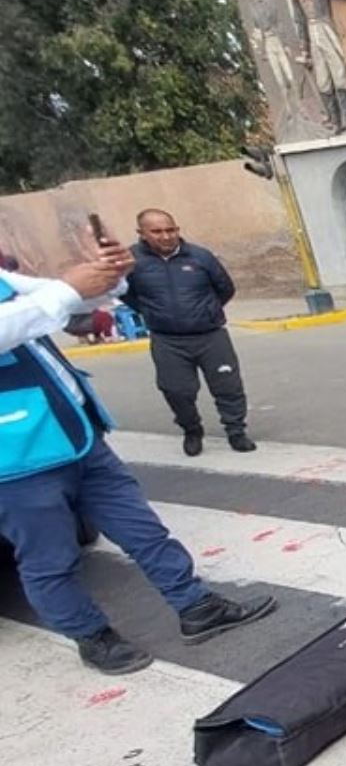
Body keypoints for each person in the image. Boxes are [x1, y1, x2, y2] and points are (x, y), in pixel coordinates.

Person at [1, 253, 275, 675]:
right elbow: (35, 311)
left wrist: (107, 277)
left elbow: (67, 303)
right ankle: (92, 636)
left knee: (143, 530)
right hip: (18, 462)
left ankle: (195, 605)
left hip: (78, 436)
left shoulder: (4, 279)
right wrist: (69, 288)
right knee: (50, 559)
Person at [123, 209, 254, 457]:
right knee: (175, 390)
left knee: (228, 386)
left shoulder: (200, 257)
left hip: (210, 335)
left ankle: (236, 432)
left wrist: (207, 311)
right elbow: (125, 293)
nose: (166, 236)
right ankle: (192, 430)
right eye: (157, 231)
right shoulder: (132, 261)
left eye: (170, 230)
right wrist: (153, 313)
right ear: (142, 234)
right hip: (167, 340)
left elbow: (225, 288)